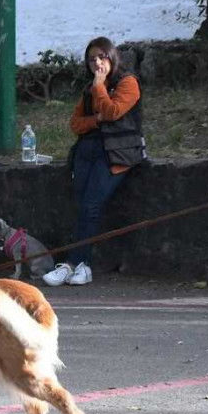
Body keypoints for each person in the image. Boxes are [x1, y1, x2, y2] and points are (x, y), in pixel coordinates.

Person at [43, 37, 145, 287]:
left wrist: (99, 86)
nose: (97, 63)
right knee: (81, 206)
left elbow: (113, 112)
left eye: (102, 57)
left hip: (116, 154)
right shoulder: (90, 89)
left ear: (112, 57)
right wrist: (96, 119)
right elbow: (76, 123)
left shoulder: (128, 82)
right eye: (91, 59)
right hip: (87, 151)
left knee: (91, 205)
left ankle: (80, 264)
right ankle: (73, 264)